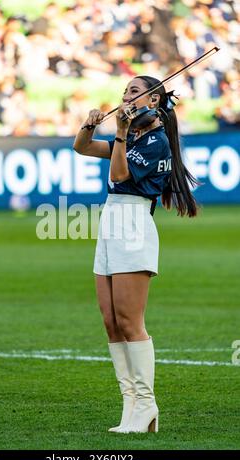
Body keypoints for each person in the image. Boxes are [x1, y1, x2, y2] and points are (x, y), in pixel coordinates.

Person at [73, 75, 200, 434]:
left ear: (154, 101)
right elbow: (81, 147)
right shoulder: (134, 134)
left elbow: (118, 172)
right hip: (112, 223)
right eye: (125, 90)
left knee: (130, 322)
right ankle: (130, 406)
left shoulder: (156, 141)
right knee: (111, 321)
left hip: (132, 224)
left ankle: (146, 405)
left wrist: (119, 132)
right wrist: (89, 124)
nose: (126, 95)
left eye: (134, 91)